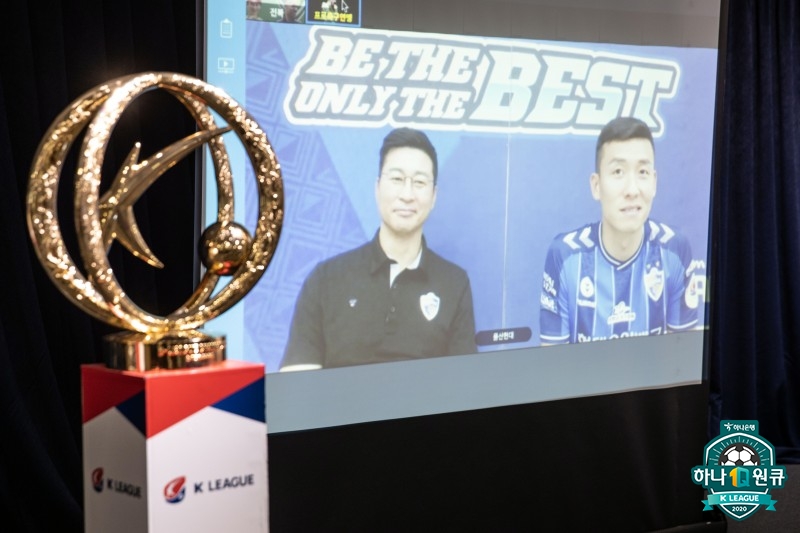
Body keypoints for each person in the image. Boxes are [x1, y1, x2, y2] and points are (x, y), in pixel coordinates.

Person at [281, 128, 477, 370]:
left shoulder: (454, 284)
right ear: (378, 187)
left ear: (434, 195)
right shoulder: (326, 279)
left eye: (419, 182)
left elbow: (463, 385)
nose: (407, 195)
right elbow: (299, 381)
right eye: (396, 179)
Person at [539, 116, 703, 345]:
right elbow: (552, 369)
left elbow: (683, 359)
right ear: (596, 186)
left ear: (654, 182)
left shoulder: (675, 249)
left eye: (643, 172)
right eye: (618, 172)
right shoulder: (565, 256)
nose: (632, 189)